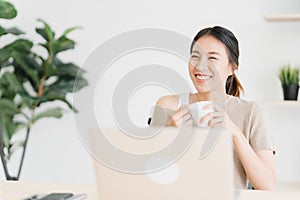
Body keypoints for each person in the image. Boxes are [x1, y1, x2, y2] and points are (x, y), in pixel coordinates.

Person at [150, 26, 276, 190]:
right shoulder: (168, 106)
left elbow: (267, 185)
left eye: (212, 58)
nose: (201, 66)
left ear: (232, 67)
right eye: (195, 56)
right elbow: (149, 175)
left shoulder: (251, 112)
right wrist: (169, 134)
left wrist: (234, 132)